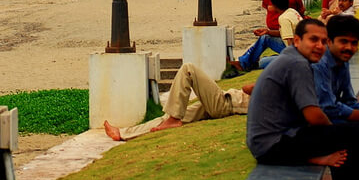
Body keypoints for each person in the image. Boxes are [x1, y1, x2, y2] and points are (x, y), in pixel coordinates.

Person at [244, 18, 359, 180]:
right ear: (297, 40)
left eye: (354, 43)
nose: (319, 46)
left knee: (357, 132)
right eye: (313, 40)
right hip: (274, 143)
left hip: (289, 135)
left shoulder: (329, 61)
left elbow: (347, 101)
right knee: (353, 136)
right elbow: (321, 112)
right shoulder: (300, 64)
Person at [104, 63, 253, 141]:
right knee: (169, 118)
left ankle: (174, 118)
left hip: (226, 104)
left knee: (189, 69)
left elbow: (247, 88)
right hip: (227, 102)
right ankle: (124, 134)